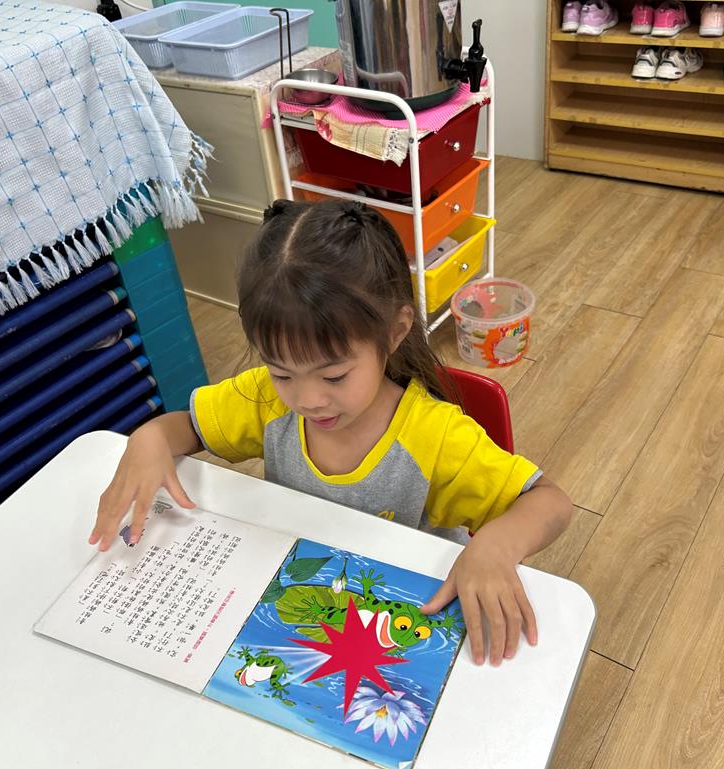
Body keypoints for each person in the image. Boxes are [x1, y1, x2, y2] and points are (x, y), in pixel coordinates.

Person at [90, 199, 573, 666]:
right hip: (307, 600)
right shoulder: (264, 399)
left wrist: (495, 545)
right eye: (282, 372)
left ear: (395, 331)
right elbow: (189, 427)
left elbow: (550, 502)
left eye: (334, 375)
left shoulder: (434, 436)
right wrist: (150, 439)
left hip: (401, 620)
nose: (307, 400)